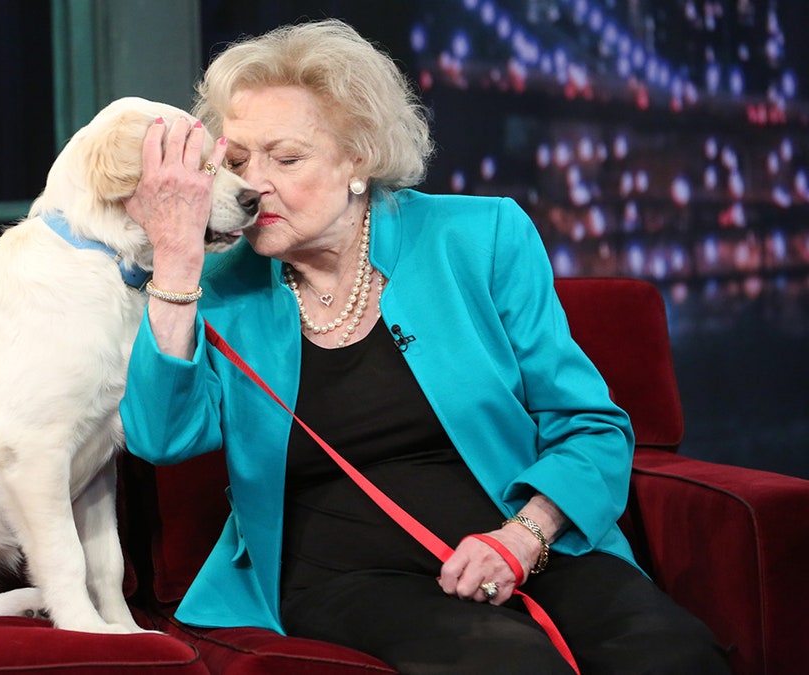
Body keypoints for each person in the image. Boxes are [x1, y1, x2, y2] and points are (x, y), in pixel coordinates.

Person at [120, 19, 728, 674]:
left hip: (516, 543)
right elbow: (161, 436)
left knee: (674, 655)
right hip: (342, 574)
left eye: (286, 158)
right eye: (237, 161)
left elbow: (592, 426)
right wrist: (177, 265)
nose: (252, 184)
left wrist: (524, 537)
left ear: (357, 158)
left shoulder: (481, 237)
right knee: (509, 665)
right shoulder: (217, 286)